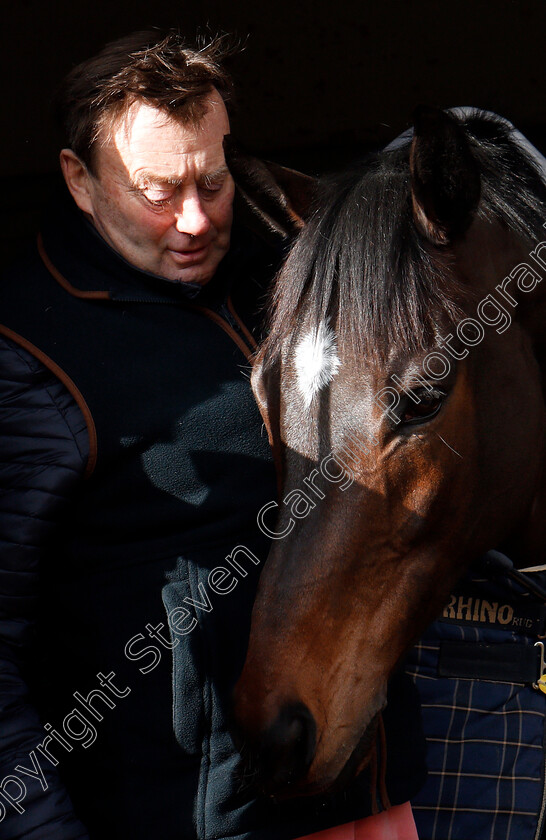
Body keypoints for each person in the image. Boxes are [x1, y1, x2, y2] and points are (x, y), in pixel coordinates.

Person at [0, 29, 426, 839]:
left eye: (214, 181)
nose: (195, 220)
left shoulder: (288, 281)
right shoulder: (27, 356)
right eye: (157, 191)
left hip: (365, 792)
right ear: (78, 182)